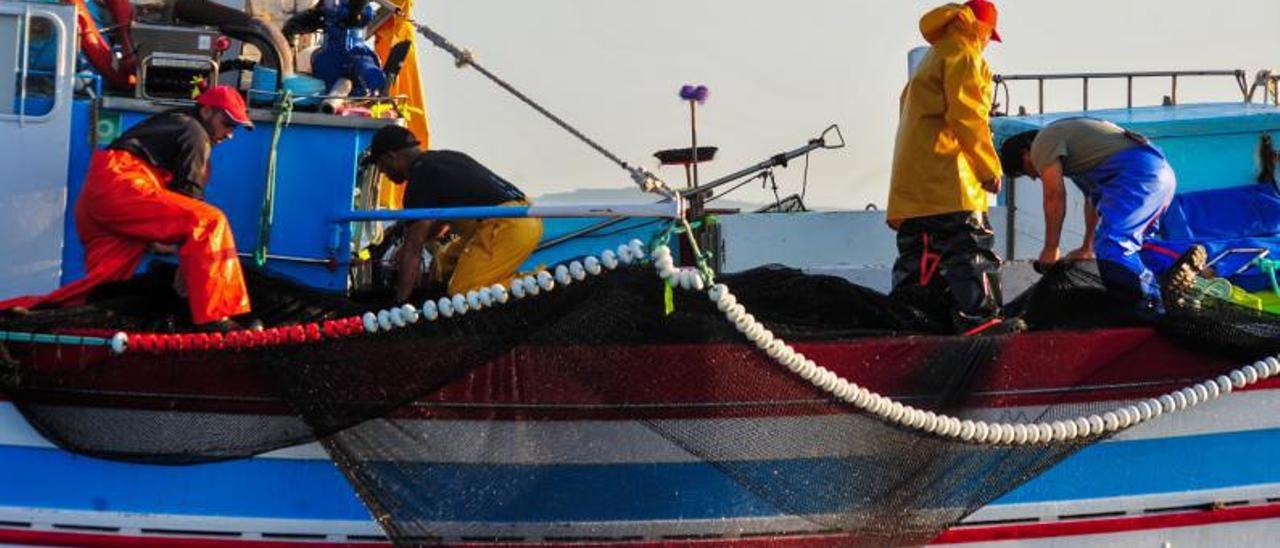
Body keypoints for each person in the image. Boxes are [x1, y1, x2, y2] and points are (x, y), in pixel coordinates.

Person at [0, 85, 254, 331]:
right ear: (207, 111)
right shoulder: (196, 133)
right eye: (228, 123)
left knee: (101, 291)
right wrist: (188, 267)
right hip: (124, 185)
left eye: (236, 128)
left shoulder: (175, 122)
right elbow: (189, 202)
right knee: (210, 221)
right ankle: (217, 318)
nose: (230, 133)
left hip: (99, 194)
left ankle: (22, 318)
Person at [886, 0, 1018, 335]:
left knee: (920, 253)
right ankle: (980, 319)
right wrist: (988, 166)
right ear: (982, 29)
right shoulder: (963, 53)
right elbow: (967, 114)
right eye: (989, 36)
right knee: (969, 244)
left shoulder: (933, 56)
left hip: (914, 185)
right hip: (949, 179)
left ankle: (914, 320)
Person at [999, 117, 1199, 314]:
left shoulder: (1042, 142)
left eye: (1024, 171)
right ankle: (1184, 265)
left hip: (1139, 175)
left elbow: (1054, 196)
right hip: (1158, 174)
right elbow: (1093, 200)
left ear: (1026, 153)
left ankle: (1150, 307)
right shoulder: (1077, 153)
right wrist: (1087, 247)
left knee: (1114, 246)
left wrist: (1051, 249)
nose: (1033, 177)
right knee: (1136, 247)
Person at [362, 125, 543, 302]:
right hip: (524, 216)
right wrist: (414, 245)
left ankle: (541, 284)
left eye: (380, 165)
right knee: (443, 263)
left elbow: (413, 249)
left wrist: (400, 304)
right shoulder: (446, 158)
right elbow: (440, 223)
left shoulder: (419, 176)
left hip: (505, 225)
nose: (382, 172)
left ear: (391, 157)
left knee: (463, 296)